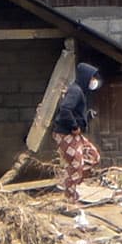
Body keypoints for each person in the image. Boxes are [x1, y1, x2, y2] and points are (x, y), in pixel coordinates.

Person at [51, 60, 102, 198]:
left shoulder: (79, 91)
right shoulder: (75, 91)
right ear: (86, 77)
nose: (93, 81)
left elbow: (74, 112)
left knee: (93, 156)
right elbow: (65, 109)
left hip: (75, 135)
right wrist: (74, 126)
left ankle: (72, 179)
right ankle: (70, 194)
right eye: (92, 77)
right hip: (65, 134)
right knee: (76, 164)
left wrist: (86, 117)